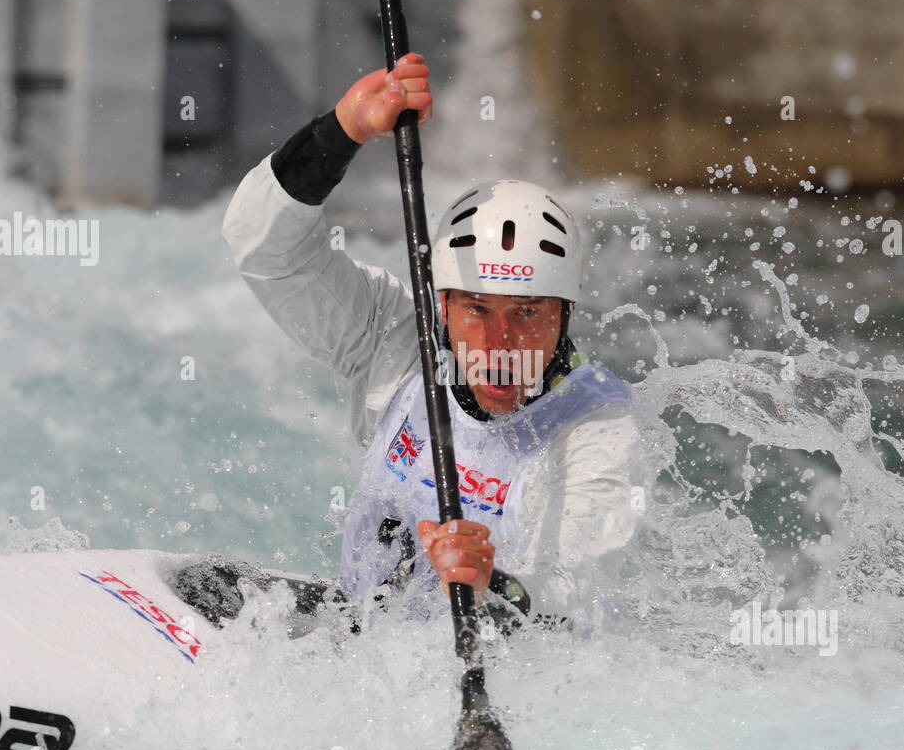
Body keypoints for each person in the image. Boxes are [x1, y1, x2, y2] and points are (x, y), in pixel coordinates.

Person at [220, 53, 644, 629]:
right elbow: (265, 251)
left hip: (508, 678)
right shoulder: (398, 343)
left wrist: (492, 580)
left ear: (566, 313)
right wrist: (341, 133)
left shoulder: (593, 429)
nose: (501, 343)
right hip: (367, 648)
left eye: (527, 312)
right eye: (476, 309)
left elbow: (574, 600)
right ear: (441, 305)